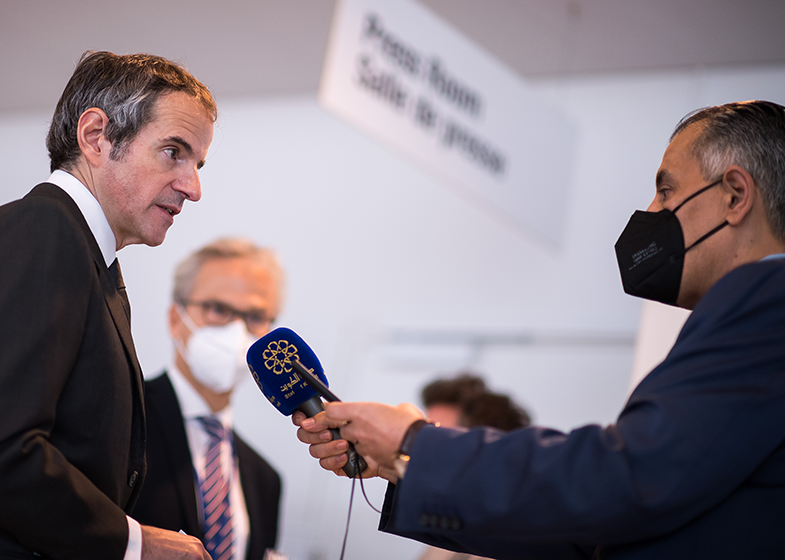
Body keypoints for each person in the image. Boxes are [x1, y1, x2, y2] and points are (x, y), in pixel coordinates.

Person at [295, 100, 785, 558]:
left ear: (735, 195)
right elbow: (610, 526)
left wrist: (417, 446)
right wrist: (402, 465)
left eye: (666, 191)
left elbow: (624, 479)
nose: (652, 214)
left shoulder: (767, 298)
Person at [0, 51, 219, 560]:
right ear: (96, 137)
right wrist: (136, 543)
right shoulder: (43, 233)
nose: (193, 187)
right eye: (173, 152)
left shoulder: (87, 259)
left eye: (197, 163)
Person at [132, 238, 283, 560]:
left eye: (255, 317)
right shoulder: (122, 416)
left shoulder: (265, 479)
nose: (237, 332)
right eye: (219, 309)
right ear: (176, 319)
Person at [417, 375, 530, 560]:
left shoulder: (523, 542)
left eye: (439, 439)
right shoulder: (447, 528)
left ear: (485, 452)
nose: (424, 450)